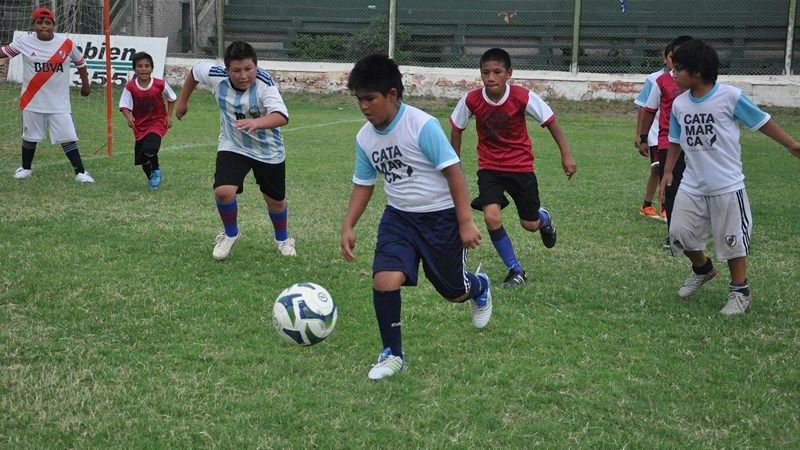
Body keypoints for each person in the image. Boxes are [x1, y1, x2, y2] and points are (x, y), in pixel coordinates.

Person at [340, 53, 492, 380]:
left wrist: (465, 221)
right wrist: (349, 224)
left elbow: (454, 173)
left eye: (370, 98)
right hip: (399, 218)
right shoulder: (364, 138)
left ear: (392, 95)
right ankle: (393, 354)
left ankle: (478, 287)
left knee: (453, 292)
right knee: (384, 280)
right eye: (359, 100)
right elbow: (364, 184)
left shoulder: (421, 125)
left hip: (440, 219)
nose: (364, 106)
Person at [662, 38, 800, 315]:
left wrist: (791, 144)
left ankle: (740, 292)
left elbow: (762, 121)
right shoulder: (679, 105)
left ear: (698, 71)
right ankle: (702, 269)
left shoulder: (730, 96)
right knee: (678, 233)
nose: (672, 74)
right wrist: (667, 171)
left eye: (678, 68)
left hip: (726, 185)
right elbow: (675, 140)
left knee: (732, 240)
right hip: (692, 184)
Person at [449, 48, 576, 288]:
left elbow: (550, 121)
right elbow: (457, 128)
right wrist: (453, 164)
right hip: (489, 168)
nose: (491, 78)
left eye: (497, 72)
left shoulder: (521, 96)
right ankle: (515, 270)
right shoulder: (471, 100)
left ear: (509, 73)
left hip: (520, 167)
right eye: (485, 72)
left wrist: (566, 155)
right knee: (491, 217)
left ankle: (542, 218)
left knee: (529, 225)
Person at [175, 41, 296, 260]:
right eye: (237, 71)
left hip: (268, 150)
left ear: (256, 66)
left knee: (275, 201)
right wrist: (182, 102)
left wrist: (256, 123)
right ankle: (230, 233)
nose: (243, 76)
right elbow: (193, 73)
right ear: (227, 69)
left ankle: (282, 239)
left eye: (249, 69)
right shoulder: (214, 74)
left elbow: (282, 116)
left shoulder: (265, 83)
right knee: (223, 191)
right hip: (233, 144)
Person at [1, 7, 93, 183]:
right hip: (31, 99)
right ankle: (26, 168)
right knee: (29, 136)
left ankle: (80, 172)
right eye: (39, 23)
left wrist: (86, 85)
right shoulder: (24, 42)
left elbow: (80, 63)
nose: (44, 26)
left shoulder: (66, 43)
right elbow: (4, 53)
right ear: (34, 25)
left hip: (59, 103)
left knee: (67, 137)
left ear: (54, 25)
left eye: (48, 23)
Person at [639, 36, 694, 247]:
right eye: (675, 57)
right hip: (667, 142)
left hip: (696, 143)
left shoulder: (700, 80)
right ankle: (674, 235)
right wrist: (643, 137)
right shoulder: (660, 81)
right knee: (671, 188)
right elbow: (649, 109)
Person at [119, 52, 176, 189]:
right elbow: (123, 105)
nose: (143, 69)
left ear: (152, 68)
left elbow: (172, 98)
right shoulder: (130, 87)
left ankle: (156, 170)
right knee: (142, 158)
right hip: (139, 125)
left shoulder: (160, 84)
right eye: (139, 66)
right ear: (134, 69)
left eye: (147, 66)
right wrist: (128, 117)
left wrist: (169, 116)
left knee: (150, 147)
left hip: (157, 122)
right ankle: (152, 176)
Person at [633, 60, 668, 221]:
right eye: (670, 56)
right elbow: (643, 106)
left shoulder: (684, 80)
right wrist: (640, 134)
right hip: (655, 132)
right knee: (658, 168)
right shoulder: (654, 79)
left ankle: (658, 205)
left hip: (672, 134)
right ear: (664, 58)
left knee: (667, 169)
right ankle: (656, 206)